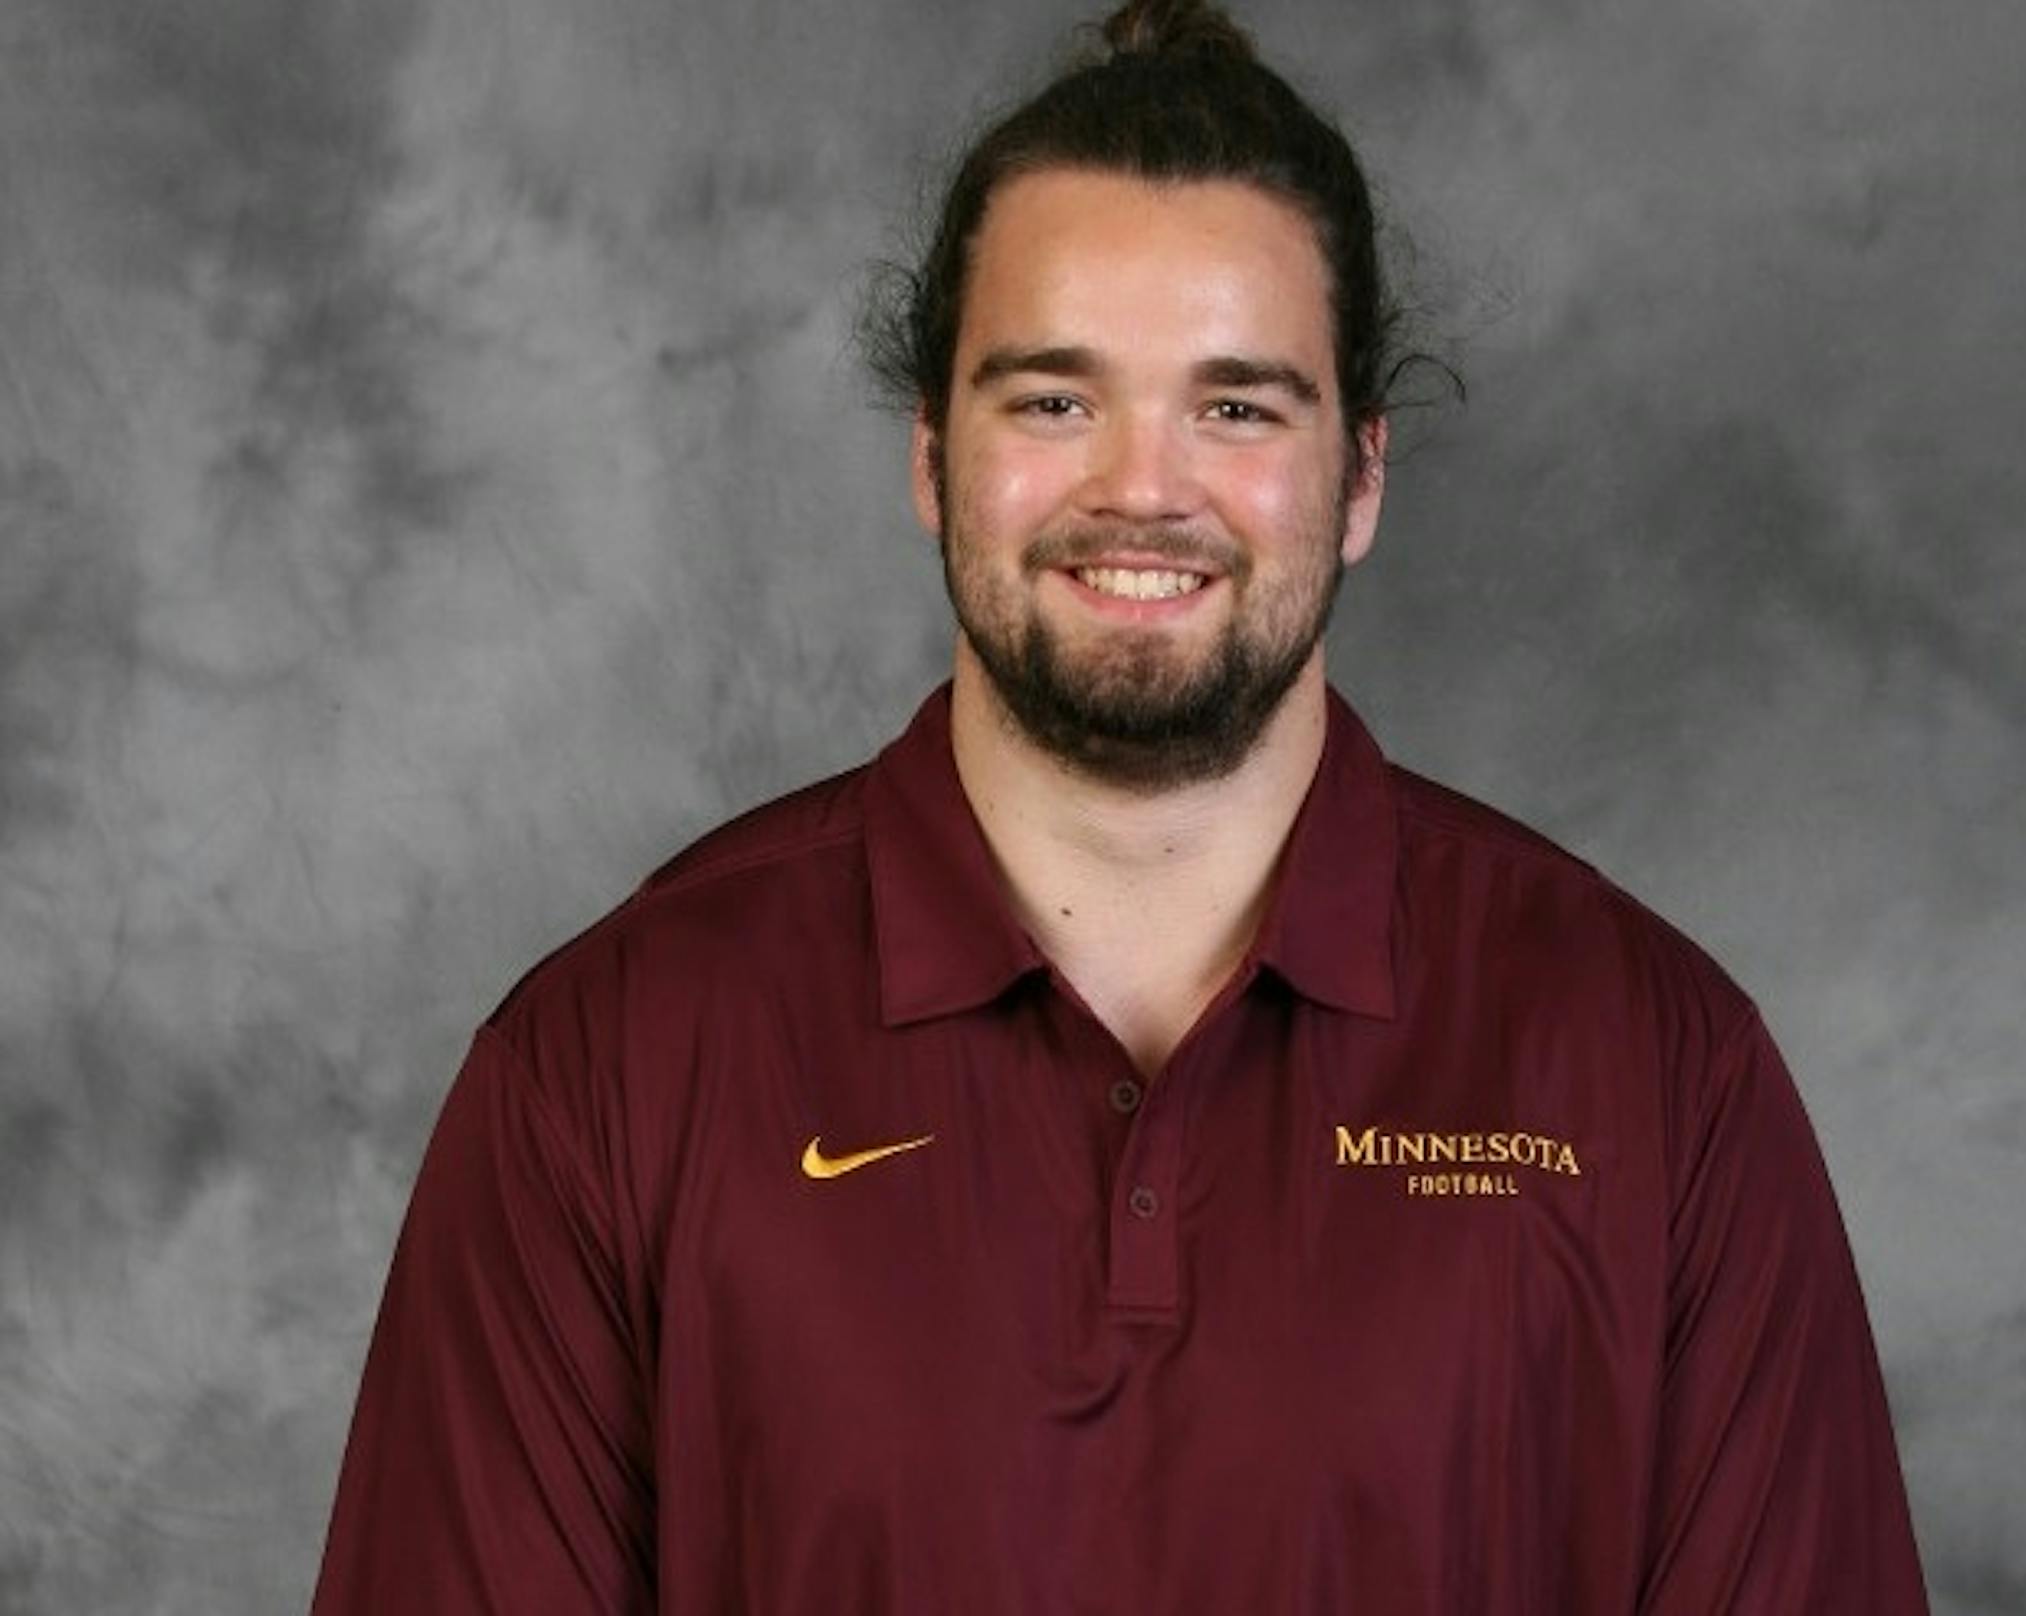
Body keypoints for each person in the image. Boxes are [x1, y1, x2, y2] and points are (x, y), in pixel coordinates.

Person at [313, 1, 1932, 1610]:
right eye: (1053, 400)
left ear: (1361, 478)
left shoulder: (1658, 1072)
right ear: (931, 458)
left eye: (1236, 407)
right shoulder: (604, 1068)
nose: (1142, 489)